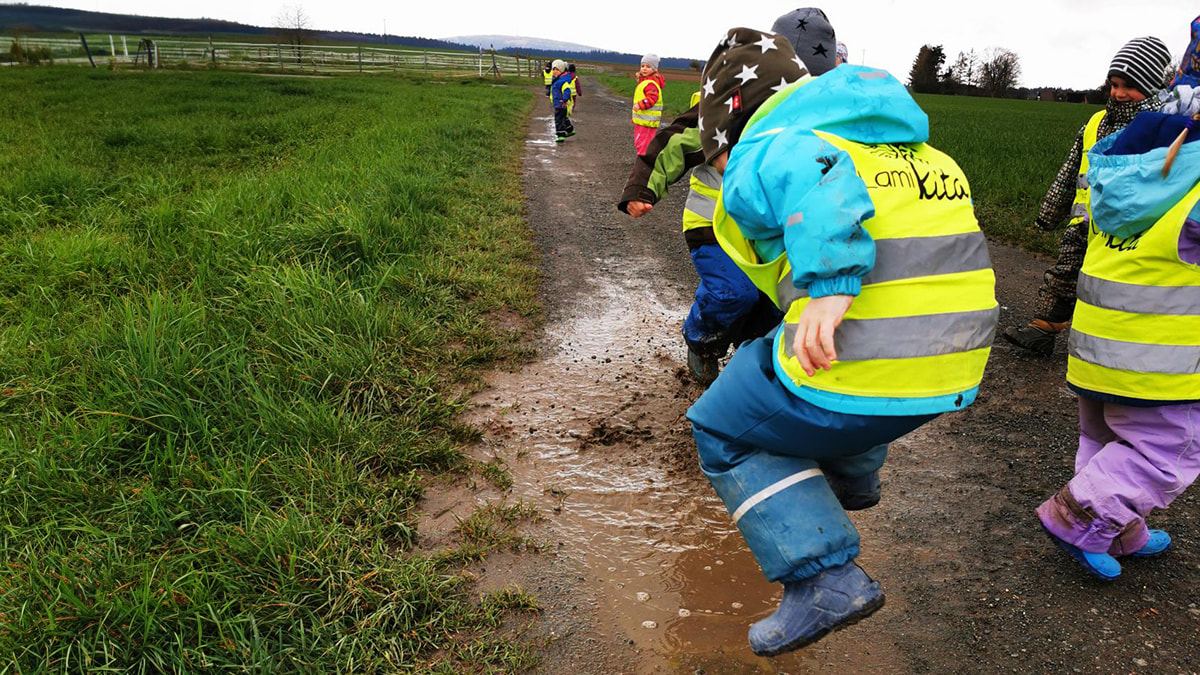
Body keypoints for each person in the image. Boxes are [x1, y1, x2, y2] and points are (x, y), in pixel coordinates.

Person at [688, 27, 998, 655]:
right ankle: (852, 481)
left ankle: (823, 577)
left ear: (729, 125)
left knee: (723, 427)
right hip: (955, 367)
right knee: (844, 383)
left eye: (714, 156)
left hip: (861, 363)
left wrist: (830, 283)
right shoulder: (915, 153)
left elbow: (811, 175)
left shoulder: (776, 144)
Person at [618, 8, 838, 383]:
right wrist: (643, 188)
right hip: (714, 225)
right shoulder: (721, 109)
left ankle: (750, 367)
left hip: (770, 236)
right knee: (733, 293)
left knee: (771, 309)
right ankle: (700, 337)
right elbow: (674, 143)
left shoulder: (817, 122)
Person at [1036, 110, 1200, 581]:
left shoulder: (1120, 186)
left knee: (1105, 440)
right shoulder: (1191, 197)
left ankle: (1119, 532)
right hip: (1161, 368)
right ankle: (1079, 517)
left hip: (1096, 355)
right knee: (1167, 452)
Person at [1002, 37, 1172, 355]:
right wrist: (1050, 213)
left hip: (1126, 230)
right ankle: (1043, 329)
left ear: (1151, 87)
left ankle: (1117, 343)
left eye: (1130, 86)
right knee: (1064, 273)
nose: (1119, 93)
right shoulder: (1094, 123)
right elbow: (1069, 173)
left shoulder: (1161, 130)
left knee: (1115, 287)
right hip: (1082, 223)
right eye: (1115, 84)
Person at [633, 54, 665, 155]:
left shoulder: (651, 83)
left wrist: (641, 104)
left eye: (648, 66)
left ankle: (643, 162)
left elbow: (652, 98)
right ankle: (644, 160)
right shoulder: (645, 82)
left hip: (648, 121)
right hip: (643, 120)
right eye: (643, 66)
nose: (644, 69)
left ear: (654, 69)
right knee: (640, 141)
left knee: (643, 143)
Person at [549, 59, 574, 143]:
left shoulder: (562, 81)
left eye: (557, 70)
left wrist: (564, 99)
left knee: (558, 119)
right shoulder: (556, 80)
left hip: (561, 103)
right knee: (563, 118)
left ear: (562, 70)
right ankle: (570, 130)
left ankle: (560, 135)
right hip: (558, 103)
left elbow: (567, 91)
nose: (555, 71)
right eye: (553, 69)